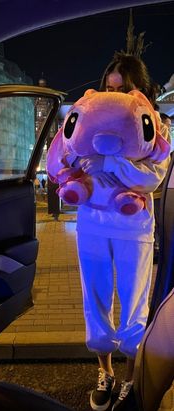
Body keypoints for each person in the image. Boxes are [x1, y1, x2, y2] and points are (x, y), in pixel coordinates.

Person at [75, 52, 170, 411]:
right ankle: (106, 373)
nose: (114, 93)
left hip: (134, 227)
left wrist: (110, 160)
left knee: (135, 303)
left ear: (140, 91)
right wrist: (95, 162)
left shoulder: (153, 125)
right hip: (91, 224)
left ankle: (131, 378)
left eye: (123, 88)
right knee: (95, 299)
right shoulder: (89, 119)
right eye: (109, 87)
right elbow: (73, 161)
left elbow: (152, 178)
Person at [153, 112, 172, 262]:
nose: (167, 130)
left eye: (169, 127)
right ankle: (155, 251)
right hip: (154, 194)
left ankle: (160, 251)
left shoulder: (168, 153)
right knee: (155, 226)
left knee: (161, 226)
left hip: (162, 194)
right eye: (166, 126)